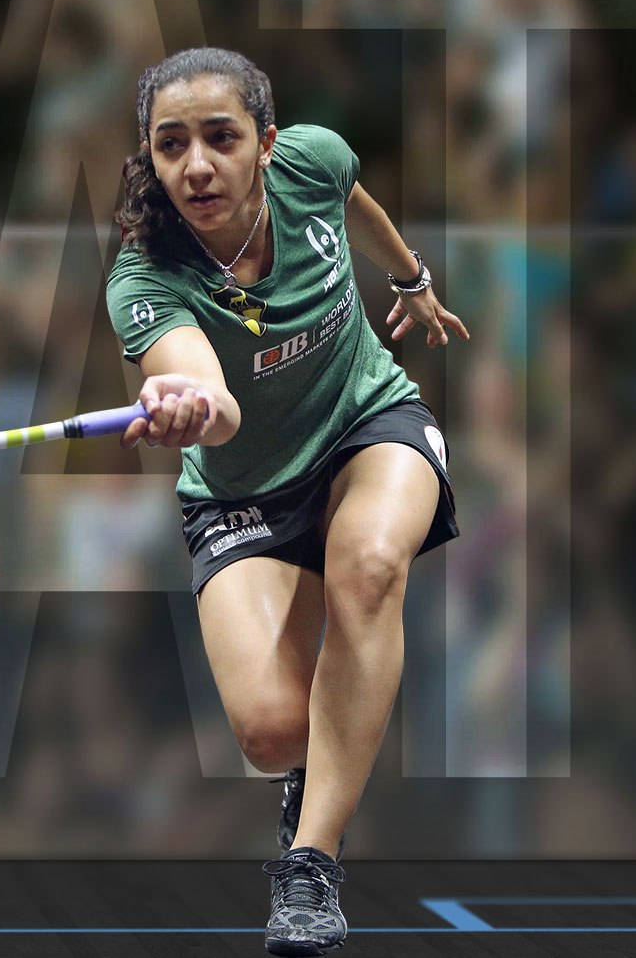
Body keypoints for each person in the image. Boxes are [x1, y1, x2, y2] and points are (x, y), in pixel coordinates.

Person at [105, 48, 468, 957]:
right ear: (149, 156)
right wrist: (190, 403)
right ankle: (313, 774)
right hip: (242, 489)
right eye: (171, 144)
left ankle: (309, 867)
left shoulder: (314, 160)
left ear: (266, 144)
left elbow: (356, 201)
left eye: (221, 139)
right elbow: (215, 408)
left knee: (371, 567)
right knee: (272, 733)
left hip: (366, 419)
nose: (196, 166)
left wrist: (411, 278)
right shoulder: (145, 279)